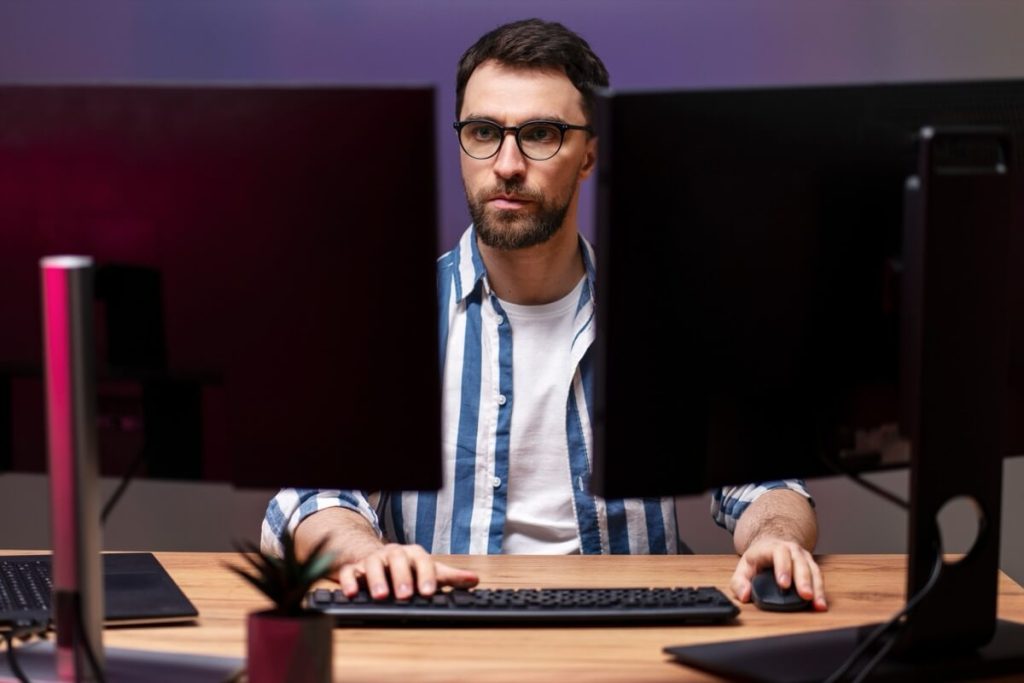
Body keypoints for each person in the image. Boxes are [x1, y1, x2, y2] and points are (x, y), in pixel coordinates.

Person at [262, 17, 826, 611]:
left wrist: (777, 538)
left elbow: (766, 481)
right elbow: (309, 494)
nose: (506, 163)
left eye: (540, 134)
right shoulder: (386, 315)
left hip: (631, 644)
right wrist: (364, 552)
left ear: (589, 156)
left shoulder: (668, 318)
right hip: (438, 634)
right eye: (483, 132)